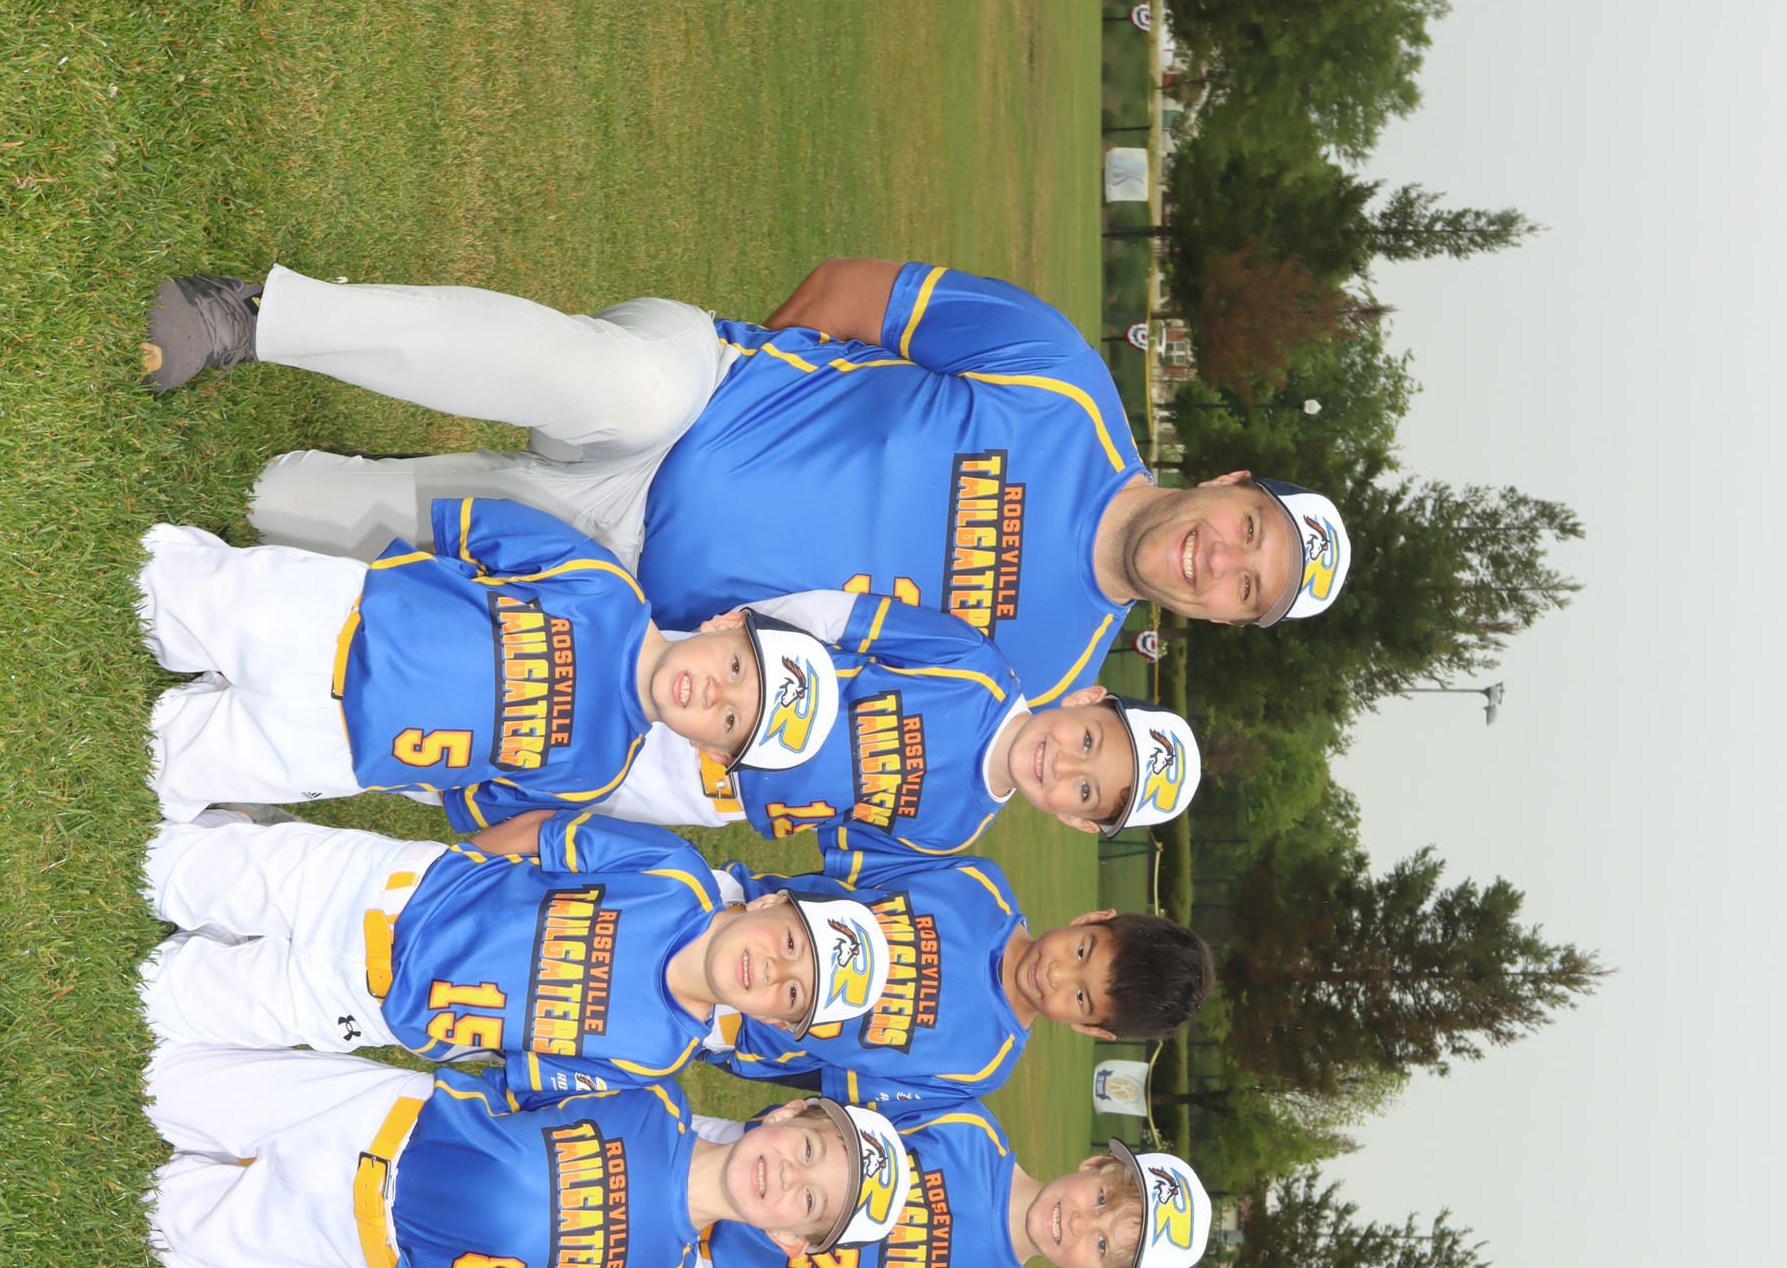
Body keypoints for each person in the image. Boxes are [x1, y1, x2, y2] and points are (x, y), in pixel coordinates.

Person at [139, 262, 1355, 706]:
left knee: (285, 504)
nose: (1219, 560)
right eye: (1247, 529)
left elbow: (822, 700)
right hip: (693, 396)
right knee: (605, 379)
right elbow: (849, 294)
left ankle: (337, 495)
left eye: (1244, 589)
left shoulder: (1039, 675)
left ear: (1218, 620)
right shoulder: (1062, 385)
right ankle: (253, 317)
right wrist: (748, 404)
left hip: (624, 573)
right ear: (1229, 481)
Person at [138, 493, 851, 827]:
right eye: (737, 669)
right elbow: (480, 530)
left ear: (712, 754)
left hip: (339, 750)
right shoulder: (605, 587)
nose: (714, 695)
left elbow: (475, 798)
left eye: (730, 722)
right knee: (155, 589)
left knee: (162, 765)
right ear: (728, 622)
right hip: (339, 620)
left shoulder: (598, 772)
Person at [136, 801, 889, 1070]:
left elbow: (525, 1061)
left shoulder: (660, 1052)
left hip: (373, 1007)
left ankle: (227, 917)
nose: (773, 971)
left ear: (775, 1023)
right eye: (793, 945)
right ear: (773, 901)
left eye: (794, 995)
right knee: (161, 868)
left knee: (156, 1001)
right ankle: (237, 838)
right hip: (389, 891)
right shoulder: (675, 875)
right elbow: (543, 836)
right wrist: (457, 868)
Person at [138, 1042, 912, 1268]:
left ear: (789, 1242)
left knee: (159, 1229)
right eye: (808, 1151)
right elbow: (517, 1075)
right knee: (159, 1083)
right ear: (787, 1114)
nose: (786, 1177)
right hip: (378, 1117)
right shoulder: (653, 1097)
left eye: (808, 1202)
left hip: (368, 1238)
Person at [594, 584, 1201, 853]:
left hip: (692, 792)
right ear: (1085, 700)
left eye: (1086, 791)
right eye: (1089, 741)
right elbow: (835, 618)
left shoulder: (955, 831)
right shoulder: (974, 666)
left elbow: (836, 835)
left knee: (568, 775)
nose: (1064, 765)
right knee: (576, 671)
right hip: (703, 684)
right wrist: (738, 637)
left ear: (1075, 820)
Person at [713, 836, 1213, 1112]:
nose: (1058, 974)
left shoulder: (982, 1067)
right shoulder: (979, 884)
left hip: (733, 1025)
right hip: (735, 916)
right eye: (1081, 951)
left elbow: (836, 1083)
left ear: (1090, 1029)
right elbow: (846, 878)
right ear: (1092, 919)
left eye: (1081, 999)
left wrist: (739, 1045)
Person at [685, 1117, 1214, 1268]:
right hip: (726, 1165)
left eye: (1100, 1245)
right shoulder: (971, 1131)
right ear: (1096, 1164)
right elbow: (827, 1117)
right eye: (1100, 1200)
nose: (1080, 1221)